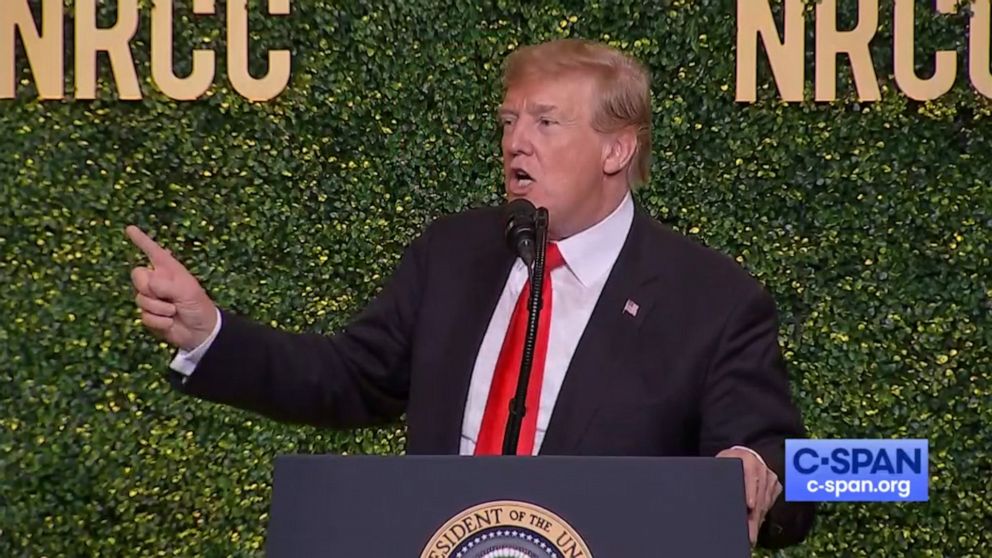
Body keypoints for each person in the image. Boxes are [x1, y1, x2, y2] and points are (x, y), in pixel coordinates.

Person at [127, 39, 814, 548]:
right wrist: (209, 334)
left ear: (617, 150)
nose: (517, 143)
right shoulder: (453, 255)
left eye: (545, 123)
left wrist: (755, 467)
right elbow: (348, 377)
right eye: (508, 122)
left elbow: (777, 456)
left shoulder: (711, 298)